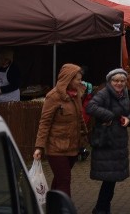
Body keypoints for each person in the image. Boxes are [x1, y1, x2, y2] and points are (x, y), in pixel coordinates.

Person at [86, 68, 130, 214]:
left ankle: (102, 208)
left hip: (119, 141)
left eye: (122, 81)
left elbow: (129, 111)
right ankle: (101, 209)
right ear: (110, 81)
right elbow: (91, 107)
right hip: (106, 141)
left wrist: (129, 119)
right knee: (109, 178)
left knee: (111, 180)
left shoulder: (124, 93)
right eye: (116, 81)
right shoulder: (104, 94)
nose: (119, 83)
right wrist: (110, 116)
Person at [33, 63, 87, 197]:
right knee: (64, 180)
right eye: (78, 79)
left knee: (59, 179)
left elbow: (80, 117)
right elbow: (44, 122)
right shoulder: (53, 97)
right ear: (68, 79)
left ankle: (53, 206)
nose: (80, 82)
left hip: (72, 147)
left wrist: (86, 136)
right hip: (56, 148)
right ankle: (65, 208)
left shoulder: (77, 94)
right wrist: (39, 146)